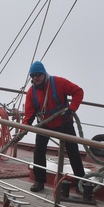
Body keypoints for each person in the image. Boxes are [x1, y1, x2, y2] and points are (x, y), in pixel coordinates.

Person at [23, 60, 86, 193]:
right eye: (33, 76)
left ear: (44, 74)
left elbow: (78, 91)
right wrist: (24, 129)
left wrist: (72, 109)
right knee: (39, 151)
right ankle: (39, 181)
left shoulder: (58, 83)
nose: (36, 78)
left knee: (73, 151)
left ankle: (81, 183)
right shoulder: (31, 93)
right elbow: (29, 114)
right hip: (45, 123)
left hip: (64, 122)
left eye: (38, 75)